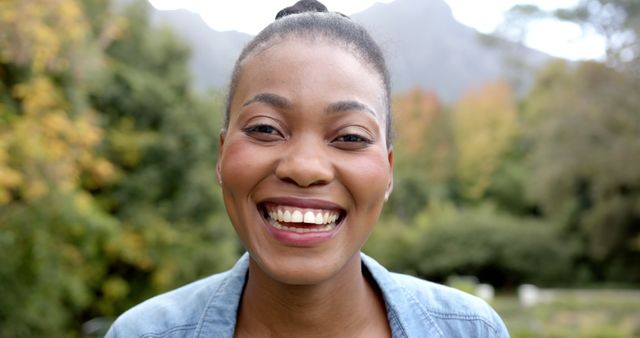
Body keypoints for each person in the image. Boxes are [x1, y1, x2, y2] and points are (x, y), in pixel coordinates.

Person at [106, 1, 510, 337]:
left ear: (389, 172)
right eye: (265, 128)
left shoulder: (470, 330)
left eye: (350, 137)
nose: (304, 167)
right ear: (222, 154)